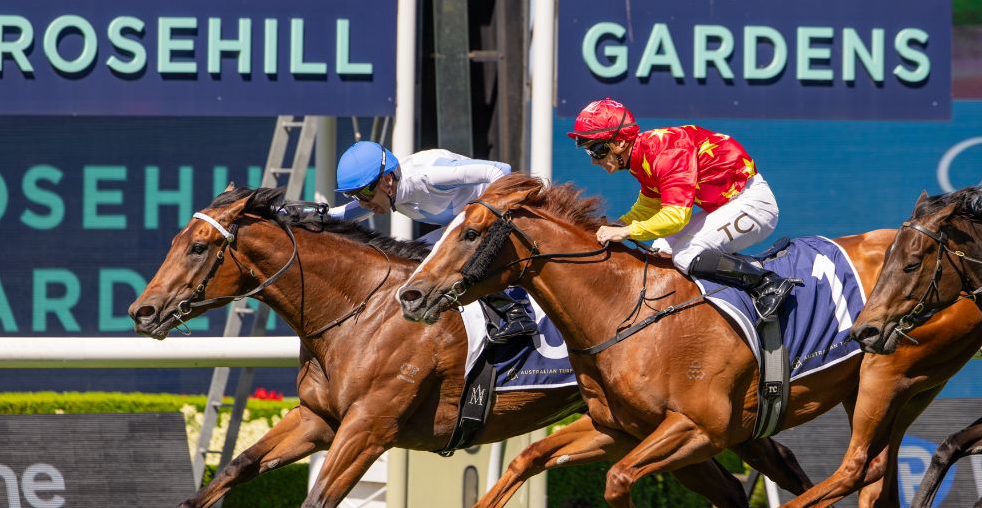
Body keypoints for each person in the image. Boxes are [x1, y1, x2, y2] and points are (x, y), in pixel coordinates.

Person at [567, 98, 794, 320]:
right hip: (725, 205)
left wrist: (626, 232)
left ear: (619, 143)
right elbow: (649, 205)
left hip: (753, 205)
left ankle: (767, 283)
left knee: (687, 254)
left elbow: (675, 218)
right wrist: (620, 224)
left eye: (596, 150)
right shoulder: (642, 155)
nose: (593, 160)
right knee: (660, 251)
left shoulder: (665, 153)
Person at [330, 141, 538, 341]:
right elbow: (348, 213)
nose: (362, 203)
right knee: (411, 259)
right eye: (353, 195)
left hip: (491, 223)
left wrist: (489, 217)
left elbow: (500, 170)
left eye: (365, 193)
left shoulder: (429, 174)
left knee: (444, 255)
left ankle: (517, 312)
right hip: (461, 228)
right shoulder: (390, 192)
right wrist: (316, 214)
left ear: (387, 181)